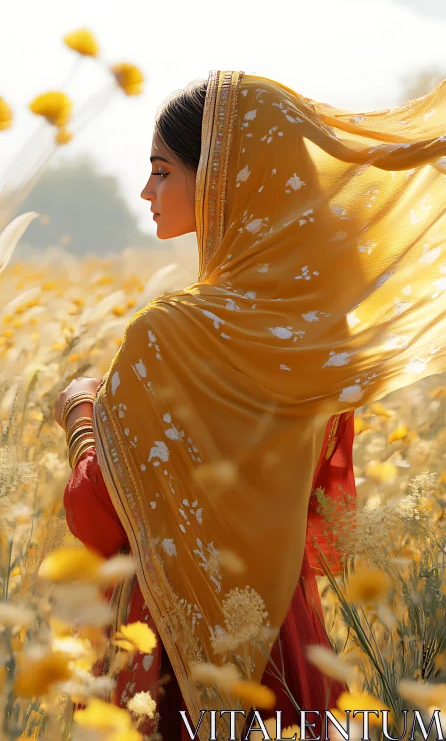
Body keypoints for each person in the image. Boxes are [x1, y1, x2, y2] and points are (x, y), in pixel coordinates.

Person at [57, 70, 446, 741]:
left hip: (174, 660)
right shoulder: (314, 339)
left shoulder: (167, 334)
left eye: (161, 171)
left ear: (222, 183)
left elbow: (97, 512)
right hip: (289, 642)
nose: (146, 192)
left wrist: (81, 417)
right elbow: (325, 514)